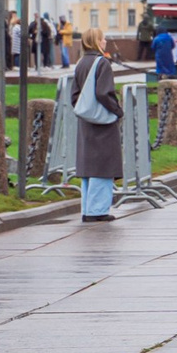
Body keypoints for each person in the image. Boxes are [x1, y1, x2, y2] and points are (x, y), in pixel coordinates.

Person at [70, 25, 124, 222]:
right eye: (102, 39)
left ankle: (87, 209)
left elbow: (74, 95)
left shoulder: (81, 63)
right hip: (103, 122)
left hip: (86, 121)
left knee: (88, 168)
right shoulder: (102, 63)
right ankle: (98, 211)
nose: (105, 42)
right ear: (96, 41)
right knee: (103, 166)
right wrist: (118, 111)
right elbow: (104, 93)